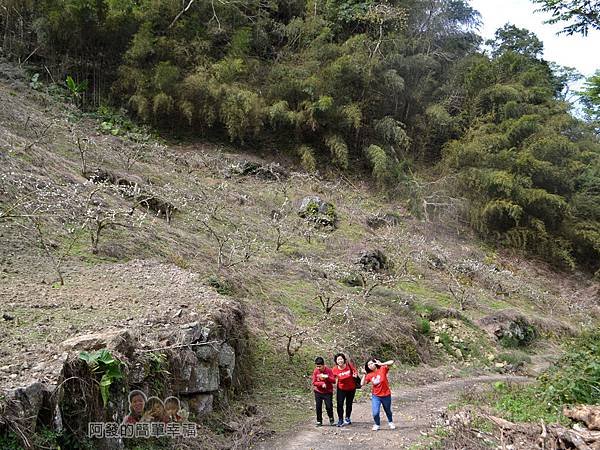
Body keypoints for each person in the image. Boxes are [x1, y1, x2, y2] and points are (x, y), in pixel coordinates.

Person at [361, 358, 396, 431]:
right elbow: (362, 384)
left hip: (386, 394)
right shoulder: (369, 375)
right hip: (376, 396)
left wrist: (381, 364)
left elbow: (391, 362)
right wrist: (364, 374)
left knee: (387, 410)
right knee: (375, 412)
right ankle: (377, 424)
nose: (370, 365)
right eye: (368, 365)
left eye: (371, 363)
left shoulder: (382, 369)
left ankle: (390, 422)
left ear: (375, 363)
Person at [331, 353, 358, 427]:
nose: (340, 361)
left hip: (351, 388)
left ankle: (347, 418)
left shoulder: (349, 365)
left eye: (341, 359)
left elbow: (355, 371)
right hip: (341, 389)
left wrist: (355, 375)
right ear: (336, 361)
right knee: (340, 404)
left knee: (349, 404)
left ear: (344, 359)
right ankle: (340, 419)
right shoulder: (334, 369)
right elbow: (332, 379)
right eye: (338, 359)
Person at [311, 356, 335, 426]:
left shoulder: (328, 370)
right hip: (318, 392)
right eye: (317, 366)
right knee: (318, 406)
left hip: (328, 392)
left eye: (320, 366)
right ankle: (319, 421)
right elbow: (314, 382)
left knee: (329, 406)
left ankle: (331, 418)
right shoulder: (316, 371)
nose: (318, 368)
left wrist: (327, 377)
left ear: (323, 365)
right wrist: (321, 384)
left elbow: (333, 381)